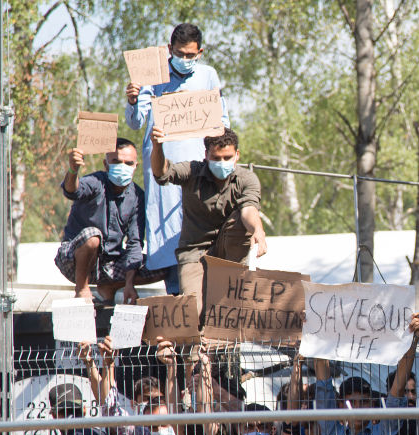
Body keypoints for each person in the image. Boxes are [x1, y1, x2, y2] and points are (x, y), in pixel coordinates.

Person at [125, 22, 230, 293]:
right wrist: (133, 100)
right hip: (163, 166)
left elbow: (222, 122)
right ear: (169, 49)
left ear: (200, 52)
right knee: (166, 229)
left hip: (197, 167)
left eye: (190, 55)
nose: (184, 60)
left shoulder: (208, 76)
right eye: (179, 54)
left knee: (199, 226)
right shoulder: (153, 76)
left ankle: (204, 294)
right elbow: (136, 123)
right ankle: (176, 297)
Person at [150, 125, 267, 311]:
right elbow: (162, 173)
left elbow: (248, 210)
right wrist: (157, 146)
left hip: (230, 251)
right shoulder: (192, 171)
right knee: (193, 312)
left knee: (242, 221)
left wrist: (258, 230)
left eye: (227, 158)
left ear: (237, 155)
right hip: (194, 253)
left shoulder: (247, 179)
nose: (222, 162)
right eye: (216, 158)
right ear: (206, 155)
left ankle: (233, 276)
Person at [55, 138, 164, 303]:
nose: (122, 167)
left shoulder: (137, 196)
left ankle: (110, 286)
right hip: (74, 261)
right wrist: (73, 170)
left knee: (163, 264)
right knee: (92, 236)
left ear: (136, 166)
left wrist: (129, 284)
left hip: (110, 264)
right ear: (106, 165)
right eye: (116, 162)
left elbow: (134, 243)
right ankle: (81, 290)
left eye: (128, 163)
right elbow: (72, 191)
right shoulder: (97, 182)